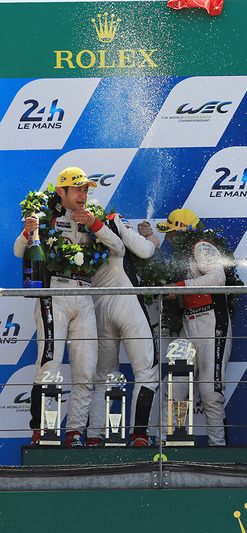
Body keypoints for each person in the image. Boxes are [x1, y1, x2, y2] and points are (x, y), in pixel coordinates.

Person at [14, 167, 124, 447]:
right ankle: (45, 431)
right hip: (55, 296)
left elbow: (119, 249)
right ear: (61, 192)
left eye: (86, 189)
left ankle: (75, 432)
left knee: (86, 370)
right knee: (49, 365)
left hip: (85, 296)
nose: (83, 195)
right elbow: (18, 250)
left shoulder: (92, 219)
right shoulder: (46, 217)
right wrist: (30, 231)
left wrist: (96, 225)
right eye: (78, 189)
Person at [156, 208, 233, 446]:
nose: (167, 238)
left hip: (213, 324)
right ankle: (167, 444)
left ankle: (218, 450)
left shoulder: (201, 246)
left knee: (210, 393)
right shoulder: (180, 255)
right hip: (188, 324)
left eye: (170, 233)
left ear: (182, 232)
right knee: (176, 388)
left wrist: (179, 286)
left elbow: (217, 278)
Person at [86, 215, 161, 447]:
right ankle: (139, 435)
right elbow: (146, 251)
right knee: (147, 371)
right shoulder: (110, 219)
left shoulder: (74, 231)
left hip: (98, 305)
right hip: (126, 301)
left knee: (102, 377)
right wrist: (148, 238)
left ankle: (94, 437)